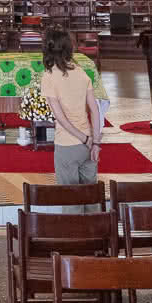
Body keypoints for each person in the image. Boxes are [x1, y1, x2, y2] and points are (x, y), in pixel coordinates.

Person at [39, 27, 99, 185]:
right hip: (88, 144)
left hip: (68, 143)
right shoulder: (81, 72)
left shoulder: (49, 76)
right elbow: (95, 110)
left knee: (70, 202)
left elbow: (61, 118)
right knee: (92, 199)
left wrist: (84, 138)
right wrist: (95, 142)